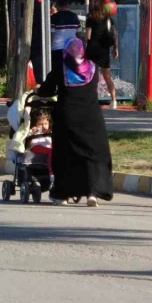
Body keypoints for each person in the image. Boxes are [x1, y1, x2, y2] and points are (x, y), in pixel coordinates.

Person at [36, 37, 113, 207]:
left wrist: (39, 89)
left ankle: (63, 194)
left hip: (67, 118)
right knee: (93, 155)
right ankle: (93, 192)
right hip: (92, 118)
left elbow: (45, 90)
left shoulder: (60, 68)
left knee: (65, 155)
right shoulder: (93, 68)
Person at [85, 0, 119, 109]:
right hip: (104, 49)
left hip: (92, 49)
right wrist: (115, 47)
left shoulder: (90, 18)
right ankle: (114, 100)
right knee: (107, 76)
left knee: (90, 76)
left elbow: (88, 36)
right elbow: (114, 33)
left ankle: (91, 99)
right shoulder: (107, 18)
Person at [49, 0, 81, 75]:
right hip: (71, 49)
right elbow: (79, 35)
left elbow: (51, 35)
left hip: (57, 49)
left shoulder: (54, 18)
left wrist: (49, 48)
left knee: (57, 73)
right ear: (67, 4)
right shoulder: (74, 17)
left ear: (57, 5)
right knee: (69, 73)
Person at [24, 109, 53, 183]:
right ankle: (51, 173)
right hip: (36, 146)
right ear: (35, 124)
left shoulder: (50, 132)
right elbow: (26, 136)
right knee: (51, 151)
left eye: (46, 124)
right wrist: (32, 132)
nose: (44, 126)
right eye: (40, 124)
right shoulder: (34, 130)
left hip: (47, 147)